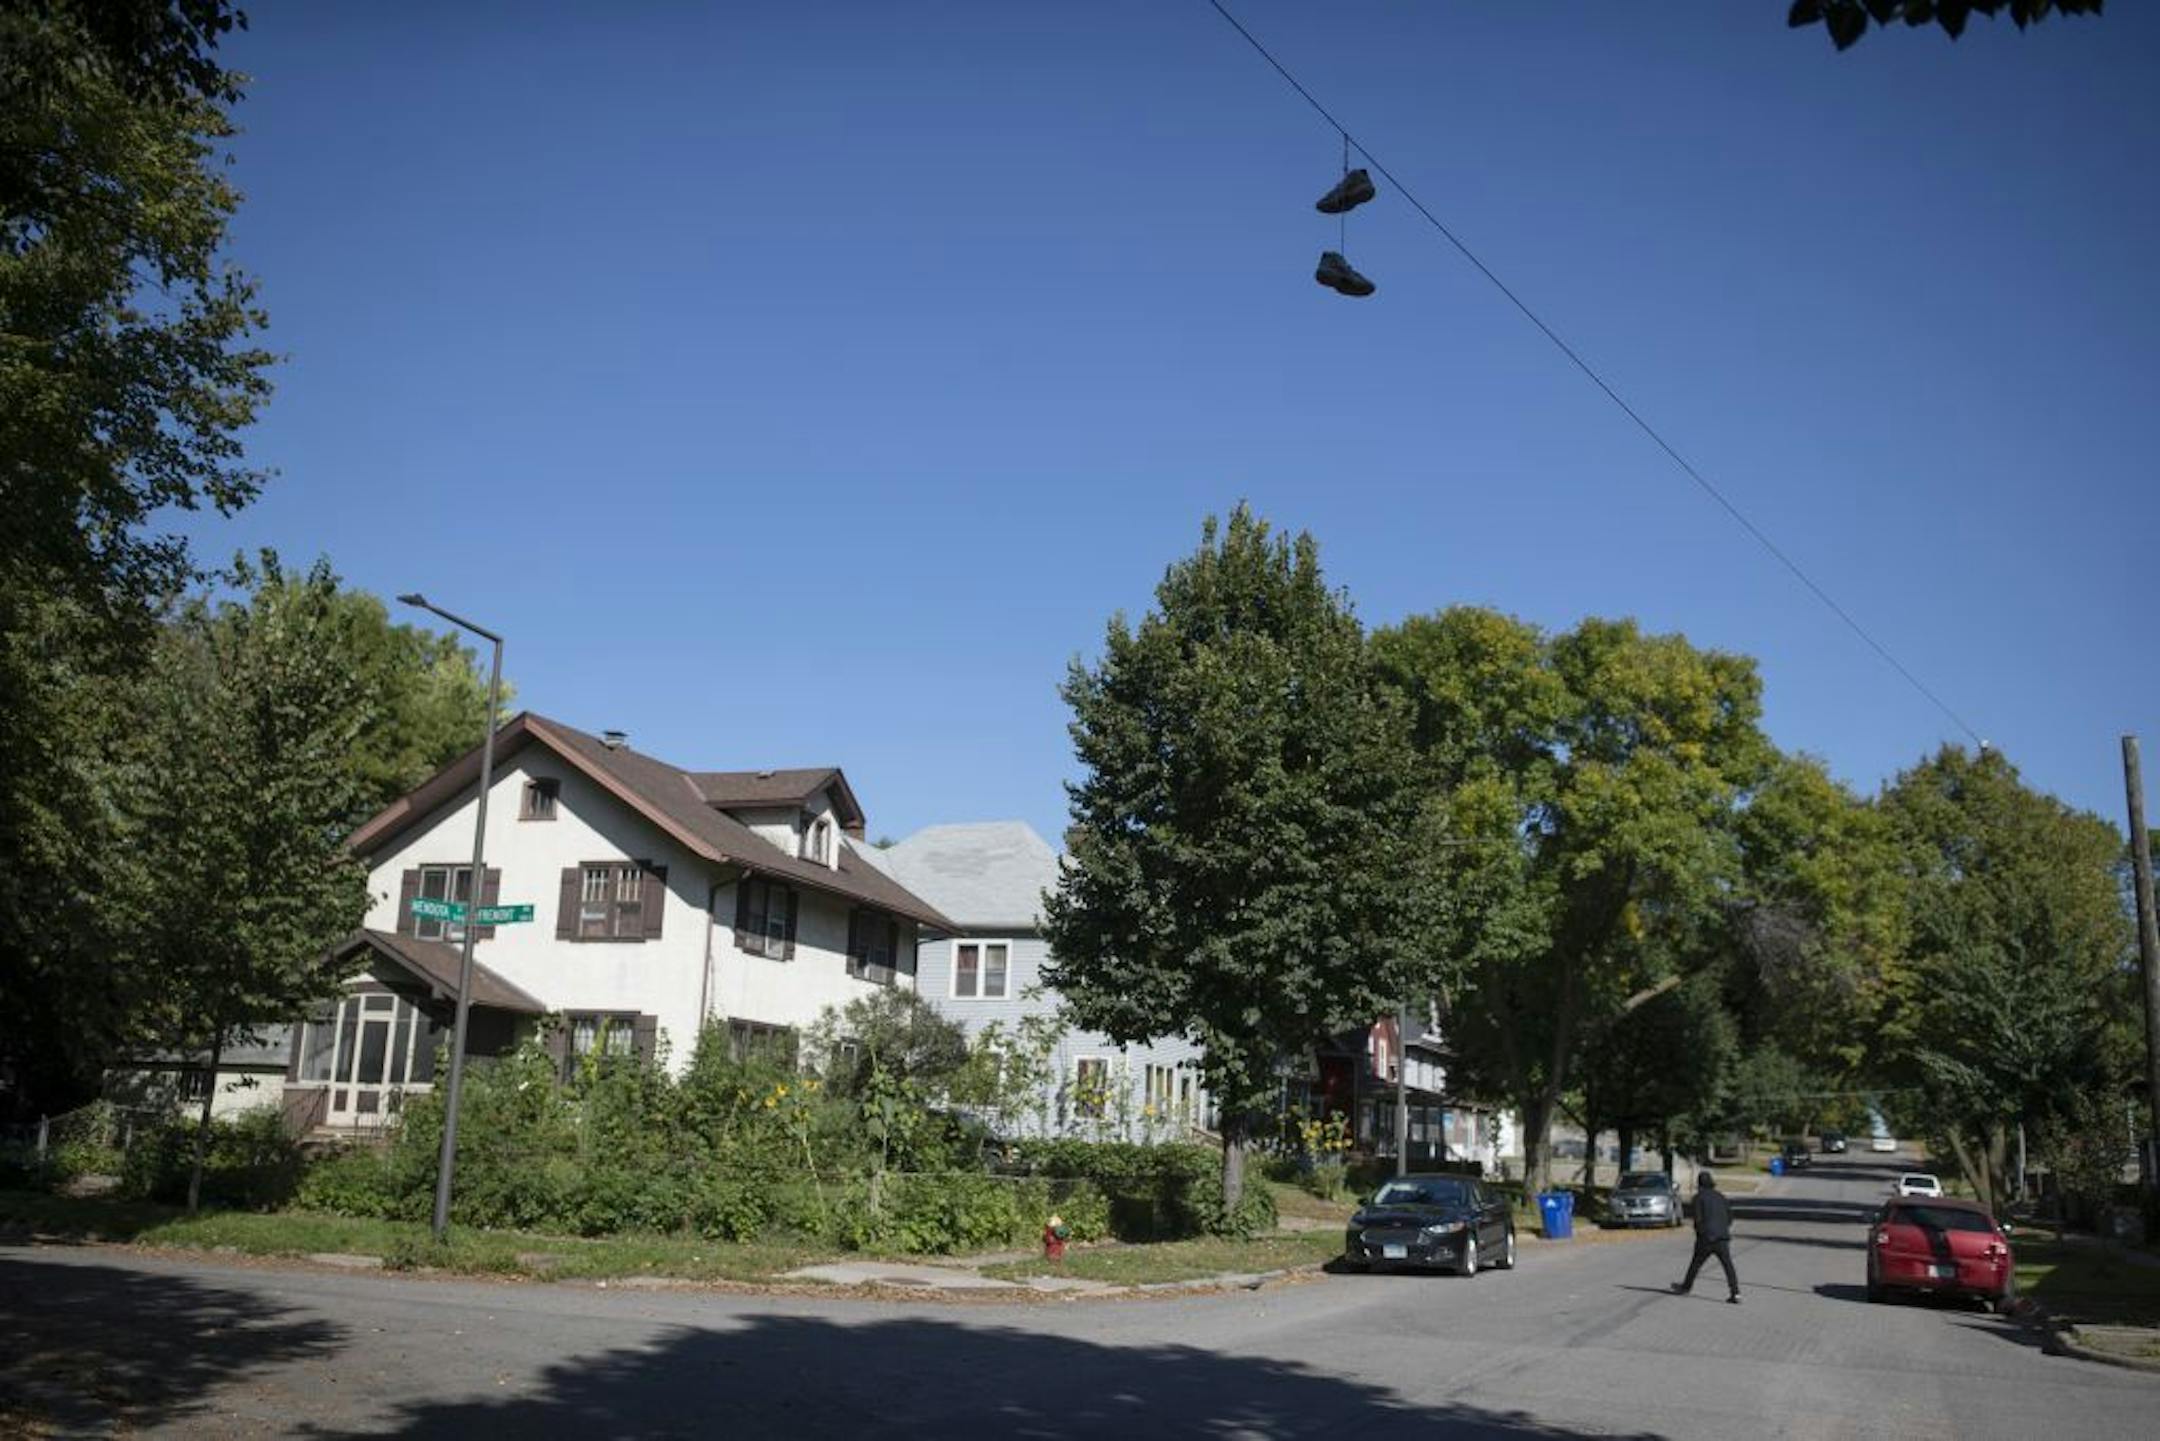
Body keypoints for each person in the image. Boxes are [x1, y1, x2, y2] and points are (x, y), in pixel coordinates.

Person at [1671, 1170, 1740, 1304]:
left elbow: (1697, 1218)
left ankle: (1686, 1287)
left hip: (1706, 1237)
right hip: (1722, 1237)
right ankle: (1735, 1292)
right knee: (1728, 1266)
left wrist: (1700, 1233)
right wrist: (1723, 1228)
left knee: (1696, 1263)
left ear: (1700, 1184)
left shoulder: (1698, 1198)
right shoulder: (1721, 1197)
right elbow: (1730, 1217)